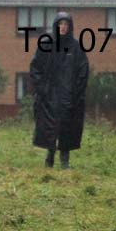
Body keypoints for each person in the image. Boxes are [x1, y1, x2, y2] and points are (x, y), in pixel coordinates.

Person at [30, 12, 89, 169]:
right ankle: (49, 157)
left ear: (70, 27)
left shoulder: (76, 47)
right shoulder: (46, 44)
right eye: (60, 24)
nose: (63, 27)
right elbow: (36, 68)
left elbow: (83, 71)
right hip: (49, 96)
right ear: (56, 25)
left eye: (66, 24)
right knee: (50, 127)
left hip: (69, 96)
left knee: (67, 128)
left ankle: (65, 161)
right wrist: (42, 89)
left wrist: (77, 92)